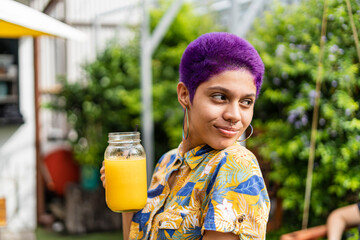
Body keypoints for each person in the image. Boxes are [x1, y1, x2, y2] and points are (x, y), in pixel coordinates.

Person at [100, 32, 270, 240]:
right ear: (185, 95)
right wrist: (124, 197)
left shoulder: (236, 165)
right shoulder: (168, 162)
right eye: (220, 97)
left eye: (246, 102)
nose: (234, 115)